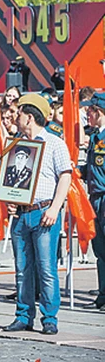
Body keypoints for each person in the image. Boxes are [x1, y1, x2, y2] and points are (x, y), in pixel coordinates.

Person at [3, 94, 72, 335]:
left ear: (29, 117)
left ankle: (49, 317)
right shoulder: (15, 144)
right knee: (22, 268)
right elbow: (11, 181)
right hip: (21, 214)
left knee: (46, 268)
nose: (15, 116)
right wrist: (11, 202)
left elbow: (66, 175)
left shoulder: (54, 142)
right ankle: (23, 315)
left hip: (44, 212)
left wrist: (55, 208)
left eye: (19, 112)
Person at [82, 92, 105, 311]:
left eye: (90, 110)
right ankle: (103, 295)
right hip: (96, 198)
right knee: (100, 251)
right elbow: (92, 169)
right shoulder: (95, 137)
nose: (87, 114)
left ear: (98, 112)